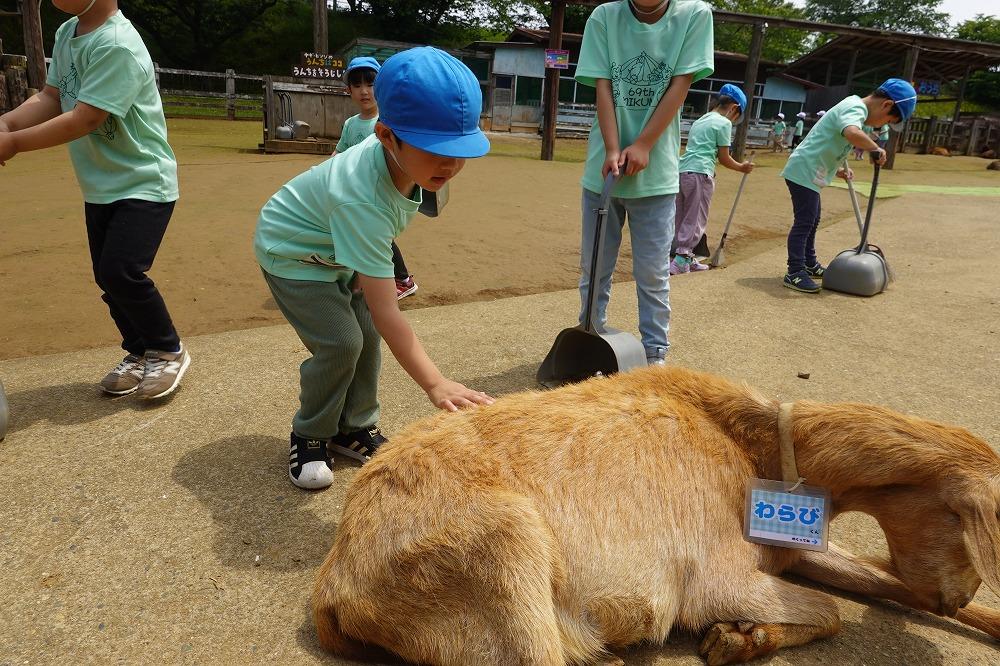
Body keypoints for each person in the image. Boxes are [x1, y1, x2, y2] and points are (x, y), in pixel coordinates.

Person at [254, 47, 494, 489]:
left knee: (366, 339)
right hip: (294, 254)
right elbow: (389, 313)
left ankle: (354, 427)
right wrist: (435, 383)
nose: (451, 164)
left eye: (461, 150)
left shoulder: (403, 163)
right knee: (343, 342)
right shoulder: (360, 198)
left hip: (338, 244)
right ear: (386, 135)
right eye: (435, 149)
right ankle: (311, 433)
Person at [0, 0, 190, 399]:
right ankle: (139, 351)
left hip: (143, 181)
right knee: (107, 276)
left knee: (122, 271)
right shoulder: (68, 32)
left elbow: (86, 118)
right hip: (101, 183)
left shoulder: (116, 44)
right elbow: (53, 95)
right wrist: (8, 121)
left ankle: (168, 349)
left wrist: (15, 142)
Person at [573, 0, 714, 366]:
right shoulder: (604, 16)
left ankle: (654, 353)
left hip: (657, 178)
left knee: (651, 273)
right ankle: (590, 335)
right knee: (595, 267)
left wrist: (644, 144)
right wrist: (613, 146)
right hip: (602, 172)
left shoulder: (694, 14)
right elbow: (603, 87)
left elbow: (680, 85)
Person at [779, 78, 916, 293]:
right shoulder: (855, 107)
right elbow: (850, 133)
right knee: (805, 222)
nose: (884, 124)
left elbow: (832, 143)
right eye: (889, 120)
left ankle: (809, 263)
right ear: (887, 105)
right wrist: (875, 149)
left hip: (811, 171)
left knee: (813, 220)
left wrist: (839, 170)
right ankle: (795, 271)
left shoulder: (856, 111)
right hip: (803, 170)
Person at [334, 56, 419, 301]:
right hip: (355, 192)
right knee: (361, 235)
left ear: (381, 88)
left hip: (380, 190)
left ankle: (402, 279)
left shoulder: (386, 122)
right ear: (348, 90)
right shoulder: (351, 124)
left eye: (370, 85)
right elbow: (340, 153)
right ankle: (360, 278)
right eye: (357, 85)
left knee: (378, 236)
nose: (364, 91)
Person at [671, 83, 754, 275]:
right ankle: (682, 260)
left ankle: (685, 256)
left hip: (683, 172)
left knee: (682, 215)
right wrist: (742, 167)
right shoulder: (723, 123)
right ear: (734, 108)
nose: (734, 121)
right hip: (701, 173)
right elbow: (724, 158)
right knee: (696, 216)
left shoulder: (701, 120)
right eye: (736, 117)